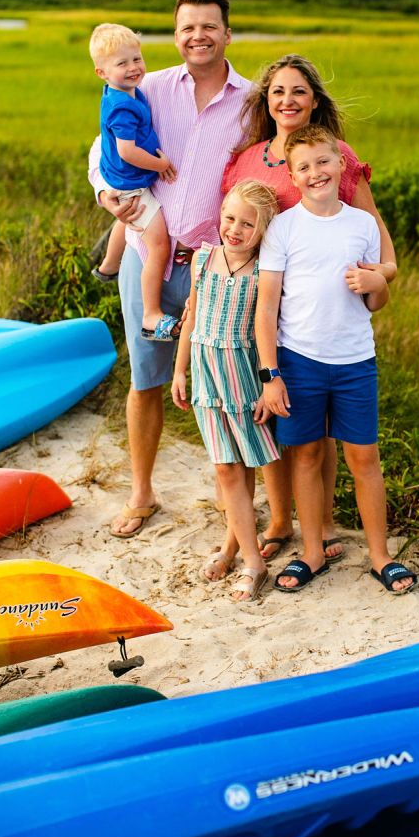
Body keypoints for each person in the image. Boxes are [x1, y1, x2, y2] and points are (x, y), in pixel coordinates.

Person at [223, 54, 398, 564]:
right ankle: (281, 522)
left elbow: (382, 257)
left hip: (332, 326)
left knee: (323, 442)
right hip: (262, 315)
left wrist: (378, 280)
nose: (288, 100)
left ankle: (318, 531)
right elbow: (230, 222)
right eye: (278, 91)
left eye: (298, 91)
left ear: (314, 99)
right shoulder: (248, 158)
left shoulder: (336, 153)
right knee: (277, 427)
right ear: (266, 100)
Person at [88, 0, 250, 538]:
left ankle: (233, 505)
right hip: (146, 255)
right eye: (187, 28)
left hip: (214, 267)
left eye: (209, 27)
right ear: (176, 35)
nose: (197, 36)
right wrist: (105, 196)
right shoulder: (147, 85)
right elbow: (101, 153)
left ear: (228, 33)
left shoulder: (251, 102)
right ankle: (141, 494)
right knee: (146, 379)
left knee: (226, 382)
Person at [255, 125, 418, 596]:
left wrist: (379, 287)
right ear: (292, 175)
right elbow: (267, 308)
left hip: (354, 361)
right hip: (299, 359)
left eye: (323, 162)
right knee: (305, 454)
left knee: (363, 456)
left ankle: (381, 555)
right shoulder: (284, 228)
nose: (315, 173)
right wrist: (271, 375)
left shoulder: (361, 225)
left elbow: (375, 301)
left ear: (341, 164)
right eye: (303, 167)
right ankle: (310, 552)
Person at [171, 180, 280, 601]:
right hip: (204, 372)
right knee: (223, 468)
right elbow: (192, 318)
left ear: (263, 230)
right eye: (229, 218)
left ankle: (248, 558)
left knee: (241, 465)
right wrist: (180, 371)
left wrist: (266, 386)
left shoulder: (262, 272)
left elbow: (266, 330)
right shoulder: (203, 259)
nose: (234, 229)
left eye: (247, 224)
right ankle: (238, 549)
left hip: (240, 378)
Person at [89, 23, 179, 340]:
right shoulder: (122, 105)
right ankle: (152, 315)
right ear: (101, 72)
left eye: (136, 59)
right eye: (122, 63)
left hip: (122, 181)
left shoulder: (124, 92)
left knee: (126, 221)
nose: (133, 68)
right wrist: (160, 164)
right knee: (158, 245)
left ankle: (108, 266)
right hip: (131, 183)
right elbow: (127, 151)